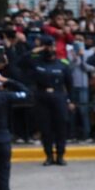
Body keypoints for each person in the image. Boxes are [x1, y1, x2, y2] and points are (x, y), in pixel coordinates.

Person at [18, 35, 73, 166]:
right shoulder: (37, 62)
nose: (50, 49)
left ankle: (60, 156)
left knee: (60, 128)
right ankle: (48, 156)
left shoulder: (62, 64)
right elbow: (20, 62)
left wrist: (71, 100)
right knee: (45, 128)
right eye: (47, 47)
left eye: (51, 46)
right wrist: (35, 51)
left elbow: (70, 84)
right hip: (42, 97)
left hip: (59, 97)